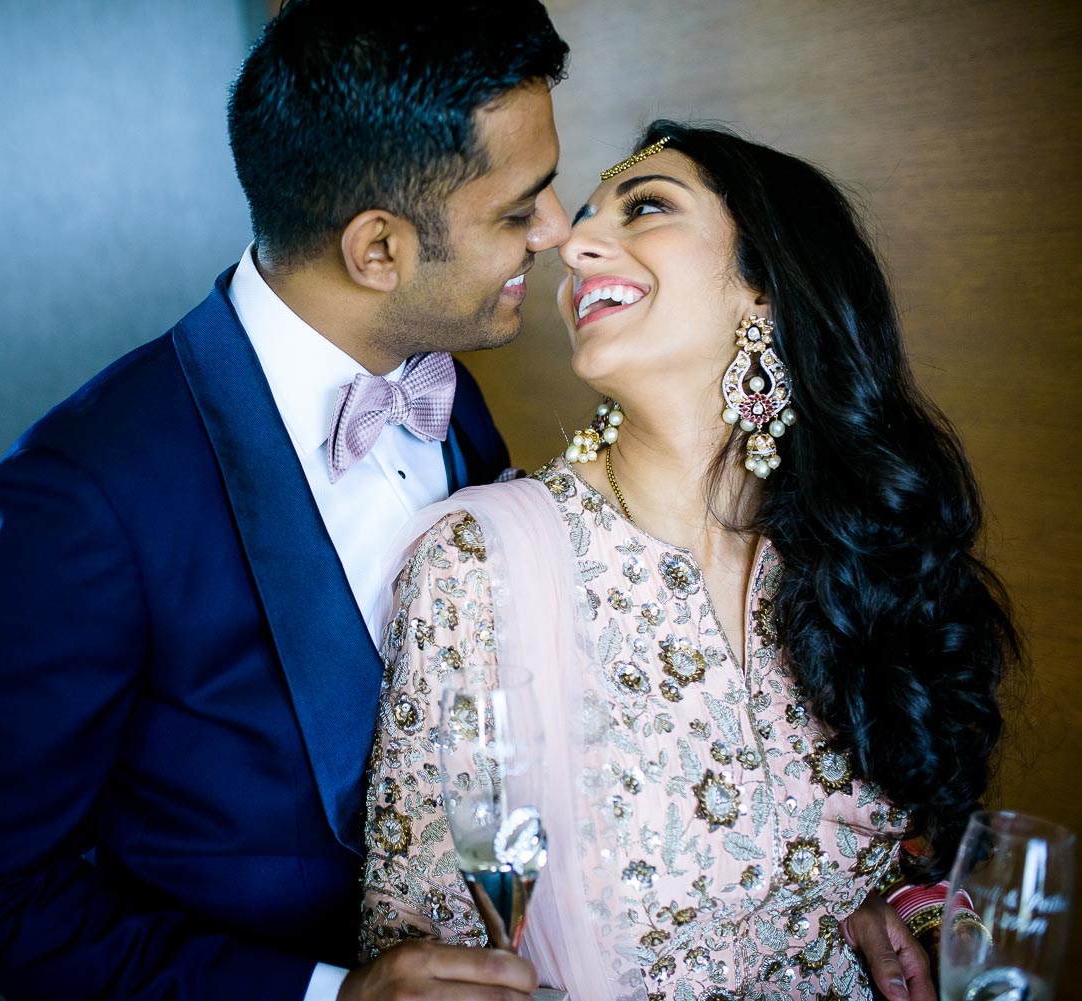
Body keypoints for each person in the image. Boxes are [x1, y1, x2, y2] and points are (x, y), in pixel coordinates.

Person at [0, 2, 570, 999]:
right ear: (378, 249)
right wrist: (322, 993)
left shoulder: (450, 390)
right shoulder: (77, 497)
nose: (556, 234)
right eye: (519, 212)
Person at [359, 123, 1019, 998]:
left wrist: (916, 913)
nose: (576, 244)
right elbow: (424, 954)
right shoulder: (482, 563)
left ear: (764, 290)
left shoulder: (848, 549)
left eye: (647, 208)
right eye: (587, 220)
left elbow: (912, 843)